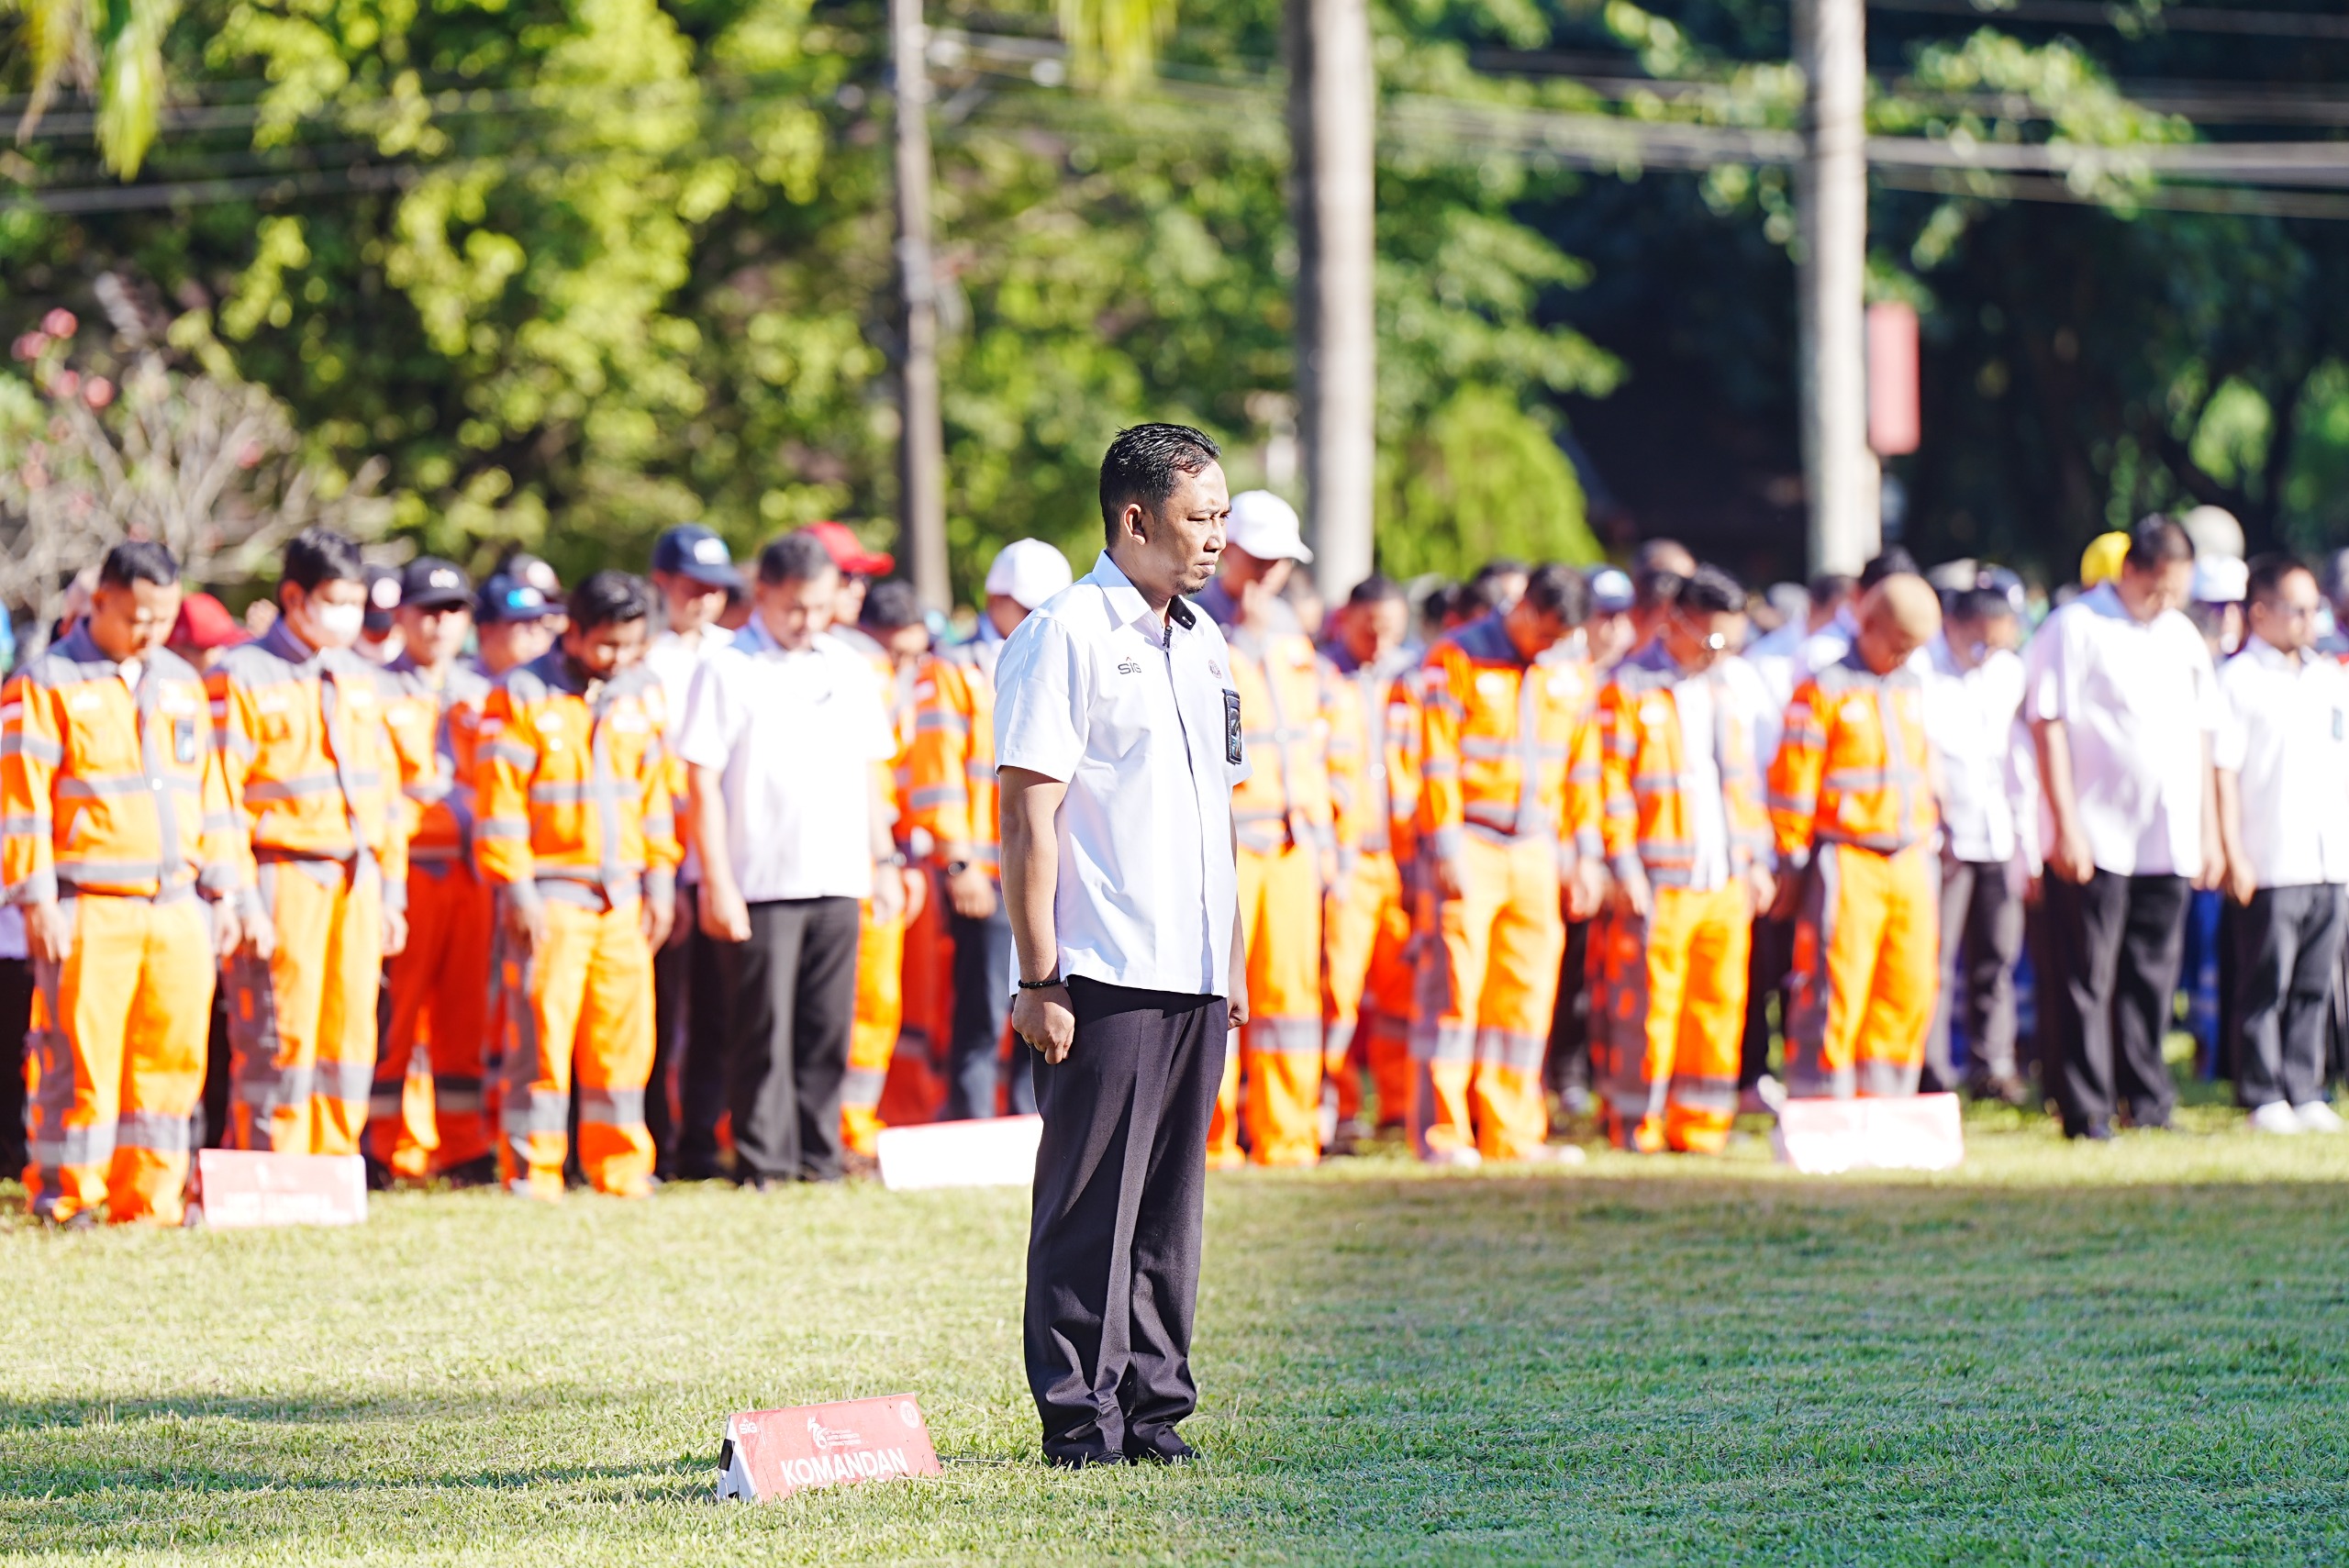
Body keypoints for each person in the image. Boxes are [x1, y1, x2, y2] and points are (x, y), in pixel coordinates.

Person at [995, 422, 1249, 1468]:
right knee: (1090, 1206)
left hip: (1191, 969)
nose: (1216, 540)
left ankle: (1154, 1408)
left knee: (1167, 1209)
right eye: (1199, 519)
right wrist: (1038, 975)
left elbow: (1217, 815)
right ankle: (1078, 1417)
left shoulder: (1203, 639)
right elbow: (1027, 814)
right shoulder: (1064, 634)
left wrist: (1226, 964)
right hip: (1102, 969)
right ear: (1134, 517)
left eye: (1224, 518)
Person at [8, 542, 242, 1225]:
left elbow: (216, 795)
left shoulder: (181, 681)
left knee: (171, 1057)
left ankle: (151, 1197)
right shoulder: (45, 681)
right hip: (90, 903)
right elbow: (20, 804)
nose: (152, 630)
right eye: (138, 615)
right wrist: (37, 896)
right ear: (100, 601)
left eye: (165, 617)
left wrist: (224, 887)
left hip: (175, 906)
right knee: (77, 1057)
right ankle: (70, 1193)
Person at [678, 531, 903, 1186]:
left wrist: (882, 860)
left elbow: (870, 772)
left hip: (836, 874)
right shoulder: (727, 666)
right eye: (793, 608)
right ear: (763, 594)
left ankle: (817, 1156)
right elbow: (701, 780)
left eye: (818, 607)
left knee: (827, 1028)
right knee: (760, 1031)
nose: (805, 621)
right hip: (759, 878)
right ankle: (763, 1162)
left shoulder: (846, 666)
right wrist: (716, 880)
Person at [474, 573, 678, 1197]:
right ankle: (533, 1169)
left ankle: (618, 1166)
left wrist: (661, 880)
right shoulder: (521, 694)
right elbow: (499, 804)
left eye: (632, 645)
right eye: (608, 645)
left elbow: (657, 798)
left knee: (623, 1038)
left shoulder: (643, 692)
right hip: (553, 893)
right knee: (541, 1035)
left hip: (622, 897)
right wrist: (518, 890)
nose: (619, 659)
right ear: (576, 632)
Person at [213, 527, 409, 1155]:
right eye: (336, 600)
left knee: (350, 1028)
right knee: (280, 1028)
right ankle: (272, 1161)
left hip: (357, 877)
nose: (348, 616)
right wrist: (239, 897)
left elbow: (388, 792)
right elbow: (219, 796)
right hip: (281, 873)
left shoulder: (360, 677)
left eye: (356, 602)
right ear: (294, 597)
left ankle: (331, 1161)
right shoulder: (240, 673)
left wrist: (391, 890)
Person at [2027, 517, 2222, 1139]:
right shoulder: (2076, 626)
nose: (2166, 602)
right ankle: (2084, 1105)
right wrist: (2064, 823)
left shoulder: (2182, 636)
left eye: (2176, 591)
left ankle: (2147, 1096)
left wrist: (2208, 830)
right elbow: (2047, 723)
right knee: (2086, 975)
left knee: (2152, 974)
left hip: (2165, 836)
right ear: (2131, 570)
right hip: (2097, 832)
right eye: (2158, 587)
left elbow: (2203, 735)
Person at [1412, 564, 1604, 1165]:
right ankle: (1444, 1132)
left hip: (1536, 847)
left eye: (1559, 638)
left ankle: (1514, 1131)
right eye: (1542, 632)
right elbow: (1435, 757)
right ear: (1521, 606)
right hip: (1470, 837)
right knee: (1455, 991)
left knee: (1525, 995)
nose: (1547, 646)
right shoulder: (1457, 658)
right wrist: (1444, 844)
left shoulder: (1568, 669)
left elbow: (1581, 766)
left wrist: (1583, 852)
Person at [1592, 564, 1775, 1153]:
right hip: (1660, 880)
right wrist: (1623, 867)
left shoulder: (1724, 687)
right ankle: (1636, 1124)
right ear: (1675, 623)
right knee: (1648, 1008)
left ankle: (1701, 1126)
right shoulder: (1628, 689)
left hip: (1722, 879)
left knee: (1717, 1007)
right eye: (1713, 640)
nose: (1722, 654)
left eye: (1733, 643)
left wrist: (1753, 860)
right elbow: (1610, 787)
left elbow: (1741, 784)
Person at [1197, 491, 1349, 1167]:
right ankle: (1212, 1138)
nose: (1268, 574)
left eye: (1279, 562)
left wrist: (1323, 838)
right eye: (1259, 560)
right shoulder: (1196, 623)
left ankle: (1287, 1137)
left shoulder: (1290, 633)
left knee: (1290, 1000)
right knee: (1214, 996)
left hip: (1291, 843)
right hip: (1227, 844)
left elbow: (1309, 743)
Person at [904, 538, 1073, 1121]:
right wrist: (960, 862)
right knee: (982, 1010)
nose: (1031, 620)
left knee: (1045, 1000)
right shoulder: (955, 670)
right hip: (987, 865)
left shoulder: (1052, 656)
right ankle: (975, 1123)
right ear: (995, 599)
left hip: (1041, 862)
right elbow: (938, 771)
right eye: (1022, 607)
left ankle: (1032, 1127)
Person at [1768, 575, 1943, 1099]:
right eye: (1897, 645)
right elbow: (1793, 784)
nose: (1902, 657)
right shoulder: (1823, 688)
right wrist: (1791, 862)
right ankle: (1824, 1101)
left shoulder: (1910, 685)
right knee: (1835, 988)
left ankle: (1887, 1103)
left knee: (1907, 987)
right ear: (1867, 626)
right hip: (1848, 857)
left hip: (1910, 857)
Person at [370, 558, 496, 1184]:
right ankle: (381, 1143)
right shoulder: (373, 689)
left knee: (465, 1016)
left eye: (453, 611)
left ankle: (464, 1143)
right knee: (394, 1017)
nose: (441, 624)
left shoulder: (480, 693)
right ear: (402, 616)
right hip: (410, 872)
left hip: (471, 876)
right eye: (428, 610)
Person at [2214, 556, 2349, 1135]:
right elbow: (2221, 770)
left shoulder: (2328, 676)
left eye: (2313, 608)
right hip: (2270, 853)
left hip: (2328, 853)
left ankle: (2305, 1084)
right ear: (2261, 611)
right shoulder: (2237, 679)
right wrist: (2230, 851)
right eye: (2297, 608)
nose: (2308, 620)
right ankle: (2261, 1090)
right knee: (2265, 979)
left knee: (2316, 980)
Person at [644, 524, 742, 1179]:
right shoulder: (641, 658)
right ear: (663, 585)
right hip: (661, 856)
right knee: (654, 1012)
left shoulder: (737, 653)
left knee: (716, 1010)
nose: (704, 600)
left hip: (722, 857)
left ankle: (701, 1139)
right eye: (691, 587)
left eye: (715, 589)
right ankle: (653, 1134)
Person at [1320, 573, 1420, 1146]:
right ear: (1347, 621)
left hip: (1401, 860)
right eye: (1369, 630)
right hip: (1351, 857)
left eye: (1390, 631)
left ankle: (1399, 1106)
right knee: (1341, 990)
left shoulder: (1410, 680)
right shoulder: (1324, 675)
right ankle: (1338, 1109)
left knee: (1401, 991)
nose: (1379, 643)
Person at [1922, 585, 2032, 1104]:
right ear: (1955, 627)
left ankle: (1994, 1064)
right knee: (1936, 961)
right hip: (1947, 836)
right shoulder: (1925, 673)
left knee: (1997, 956)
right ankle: (1933, 1068)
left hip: (1999, 834)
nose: (1989, 653)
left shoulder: (2009, 673)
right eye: (1981, 642)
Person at [838, 578, 930, 1161]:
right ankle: (844, 1126)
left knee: (880, 1001)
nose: (901, 665)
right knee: (860, 999)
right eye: (893, 651)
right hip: (856, 861)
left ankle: (856, 1122)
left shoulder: (899, 685)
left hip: (889, 857)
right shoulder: (854, 676)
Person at [472, 575, 560, 679]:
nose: (536, 631)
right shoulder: (458, 688)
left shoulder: (556, 688)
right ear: (486, 632)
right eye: (524, 622)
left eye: (539, 621)